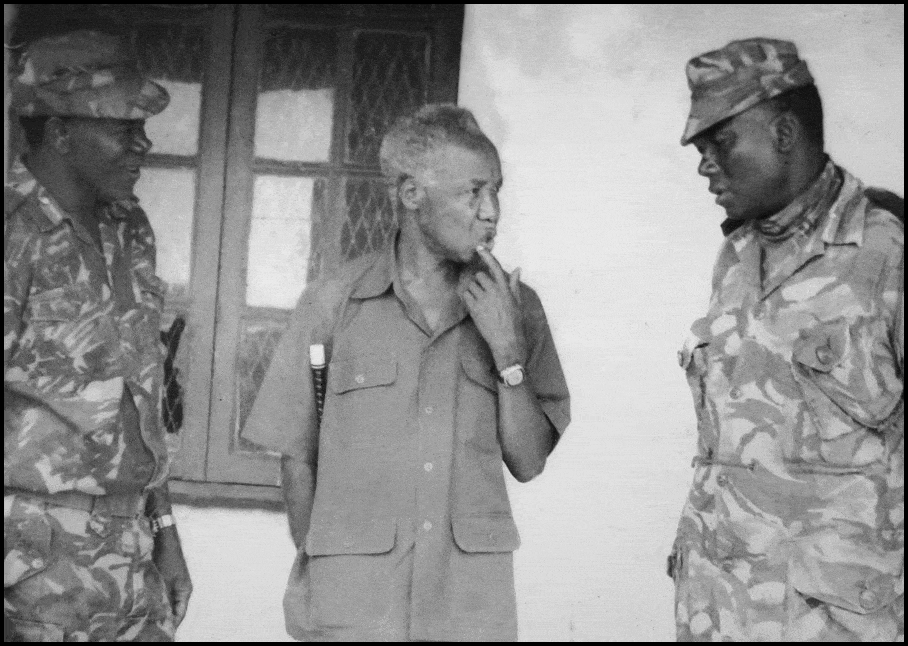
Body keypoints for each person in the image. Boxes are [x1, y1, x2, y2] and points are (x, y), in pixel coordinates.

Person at [242, 104, 570, 641]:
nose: (491, 211)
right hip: (356, 611)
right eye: (473, 191)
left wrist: (507, 351)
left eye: (497, 192)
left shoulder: (518, 308)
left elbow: (530, 461)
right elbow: (297, 458)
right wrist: (325, 573)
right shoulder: (333, 304)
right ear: (412, 194)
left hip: (468, 613)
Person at [669, 38, 904, 641]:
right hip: (719, 612)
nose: (704, 164)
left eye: (720, 143)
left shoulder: (888, 254)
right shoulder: (736, 257)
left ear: (783, 133)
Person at [4, 30, 192, 641]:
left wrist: (164, 531)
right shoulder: (14, 232)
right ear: (59, 131)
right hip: (32, 564)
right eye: (123, 125)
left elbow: (142, 396)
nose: (143, 143)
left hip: (129, 554)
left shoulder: (128, 229)